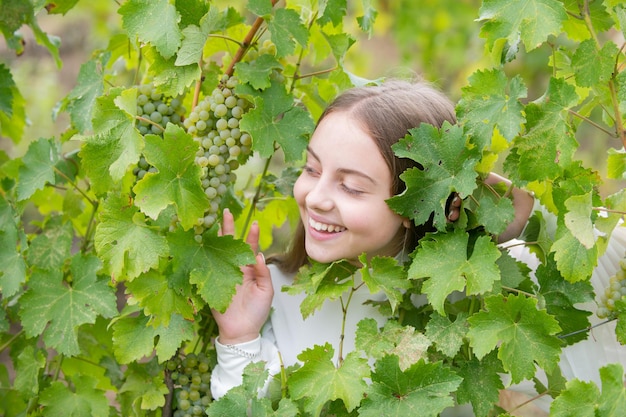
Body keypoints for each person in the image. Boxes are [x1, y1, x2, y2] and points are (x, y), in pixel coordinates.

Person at [209, 79, 624, 415]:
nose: (316, 197)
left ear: (417, 203)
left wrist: (518, 210)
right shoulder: (274, 294)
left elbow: (607, 257)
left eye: (351, 187)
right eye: (311, 169)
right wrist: (239, 336)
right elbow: (246, 408)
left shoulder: (478, 294)